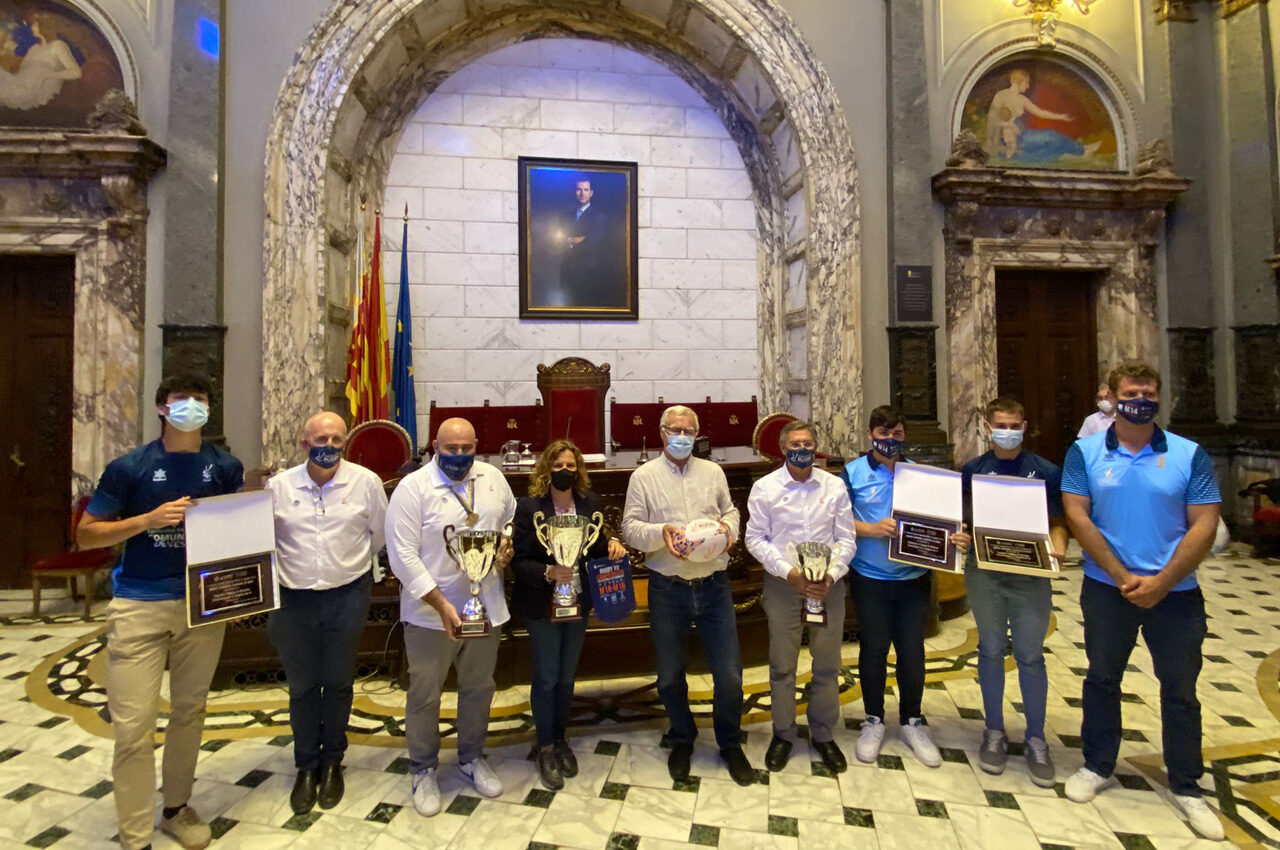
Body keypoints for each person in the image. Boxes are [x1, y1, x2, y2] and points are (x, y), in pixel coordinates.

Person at [77, 373, 243, 850]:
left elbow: (237, 534)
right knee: (133, 729)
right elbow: (87, 534)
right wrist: (148, 521)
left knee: (190, 711)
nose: (191, 406)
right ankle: (134, 836)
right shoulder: (130, 467)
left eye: (200, 399)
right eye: (180, 399)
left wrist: (240, 591)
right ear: (161, 408)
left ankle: (176, 807)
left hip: (202, 604)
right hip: (139, 604)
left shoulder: (225, 466)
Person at [1061, 361, 1225, 841]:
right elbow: (1077, 515)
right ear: (1112, 397)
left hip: (1176, 594)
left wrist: (1163, 578)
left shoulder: (1187, 454)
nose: (1142, 398)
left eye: (1149, 391)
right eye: (1132, 391)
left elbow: (1205, 523)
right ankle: (1096, 763)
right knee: (1101, 677)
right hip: (1107, 589)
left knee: (1180, 690)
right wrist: (1121, 574)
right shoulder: (1085, 452)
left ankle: (1187, 784)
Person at [386, 417, 515, 817]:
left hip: (486, 607)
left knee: (479, 686)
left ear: (477, 444)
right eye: (450, 448)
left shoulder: (493, 477)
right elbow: (402, 556)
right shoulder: (413, 488)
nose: (459, 456)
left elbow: (508, 517)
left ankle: (472, 757)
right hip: (429, 615)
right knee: (424, 694)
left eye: (466, 448)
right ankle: (423, 768)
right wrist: (442, 605)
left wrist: (506, 545)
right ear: (434, 445)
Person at [621, 405, 754, 785]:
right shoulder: (643, 476)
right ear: (662, 433)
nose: (682, 435)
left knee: (729, 674)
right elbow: (630, 528)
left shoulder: (712, 472)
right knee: (669, 676)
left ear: (697, 435)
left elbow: (731, 513)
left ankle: (730, 742)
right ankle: (682, 736)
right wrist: (660, 532)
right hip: (668, 587)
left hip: (714, 586)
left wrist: (728, 533)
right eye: (675, 429)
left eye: (689, 430)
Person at [266, 411, 387, 814]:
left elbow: (378, 536)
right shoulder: (279, 487)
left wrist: (344, 567)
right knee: (302, 686)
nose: (329, 446)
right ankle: (306, 764)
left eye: (337, 439)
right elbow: (264, 542)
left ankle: (333, 760)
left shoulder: (366, 483)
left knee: (337, 681)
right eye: (321, 439)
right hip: (293, 600)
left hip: (347, 595)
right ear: (304, 443)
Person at [842, 405, 970, 768]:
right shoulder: (851, 473)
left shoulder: (921, 476)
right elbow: (837, 521)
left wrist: (955, 539)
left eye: (897, 434)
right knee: (874, 650)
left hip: (914, 579)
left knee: (912, 651)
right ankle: (873, 720)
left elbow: (942, 522)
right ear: (870, 434)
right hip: (870, 578)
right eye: (883, 434)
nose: (890, 440)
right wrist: (870, 528)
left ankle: (913, 721)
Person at [960, 397, 1069, 786]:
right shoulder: (973, 470)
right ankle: (993, 731)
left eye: (1014, 424)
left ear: (1025, 426)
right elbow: (964, 522)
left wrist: (1059, 547)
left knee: (1030, 654)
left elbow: (1059, 522)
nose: (1007, 431)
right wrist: (959, 538)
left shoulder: (1045, 471)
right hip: (985, 574)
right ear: (987, 428)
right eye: (1000, 424)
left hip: (1030, 576)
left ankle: (1036, 738)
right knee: (989, 650)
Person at [511, 439, 627, 790]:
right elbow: (518, 561)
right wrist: (548, 573)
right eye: (558, 466)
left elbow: (593, 547)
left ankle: (561, 739)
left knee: (566, 675)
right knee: (546, 675)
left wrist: (612, 543)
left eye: (571, 466)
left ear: (579, 471)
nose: (565, 471)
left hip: (578, 601)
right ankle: (544, 744)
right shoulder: (528, 507)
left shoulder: (588, 504)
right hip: (542, 604)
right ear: (547, 469)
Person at [745, 420, 856, 774]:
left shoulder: (834, 486)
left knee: (826, 663)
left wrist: (831, 574)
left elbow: (847, 538)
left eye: (808, 443)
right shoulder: (765, 488)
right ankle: (783, 734)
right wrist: (788, 573)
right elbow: (755, 539)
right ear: (782, 448)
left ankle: (823, 734)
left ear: (816, 447)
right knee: (782, 665)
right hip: (784, 584)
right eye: (795, 443)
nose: (802, 449)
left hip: (827, 586)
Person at [559, 176, 610, 306]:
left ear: (591, 193)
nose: (582, 193)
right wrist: (576, 240)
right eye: (579, 189)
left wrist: (568, 240)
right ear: (574, 192)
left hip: (587, 276)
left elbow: (591, 246)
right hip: (567, 274)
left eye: (585, 189)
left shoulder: (599, 217)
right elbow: (557, 243)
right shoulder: (566, 217)